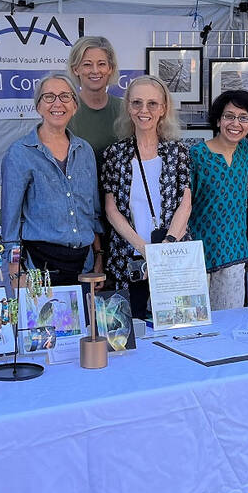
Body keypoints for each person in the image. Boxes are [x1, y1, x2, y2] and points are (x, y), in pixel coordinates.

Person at [100, 73, 194, 320]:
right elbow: (112, 210)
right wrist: (143, 249)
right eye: (137, 103)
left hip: (172, 257)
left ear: (163, 109)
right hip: (129, 257)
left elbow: (185, 203)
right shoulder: (115, 154)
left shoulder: (178, 152)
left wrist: (166, 246)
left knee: (175, 327)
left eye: (152, 103)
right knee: (132, 328)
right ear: (128, 107)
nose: (144, 110)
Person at [0, 72, 102, 285]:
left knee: (85, 319)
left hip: (84, 263)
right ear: (38, 106)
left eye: (65, 96)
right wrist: (15, 267)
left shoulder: (85, 151)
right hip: (39, 264)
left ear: (74, 106)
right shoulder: (20, 153)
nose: (57, 103)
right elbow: (11, 217)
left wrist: (99, 257)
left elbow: (93, 213)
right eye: (49, 97)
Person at [190, 87, 248, 309]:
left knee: (230, 323)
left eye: (243, 118)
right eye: (229, 116)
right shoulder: (197, 155)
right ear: (218, 120)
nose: (235, 123)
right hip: (198, 253)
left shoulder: (245, 154)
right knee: (197, 326)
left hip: (234, 252)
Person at [65, 35, 123, 156]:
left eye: (101, 64)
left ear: (110, 68)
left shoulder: (125, 109)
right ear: (76, 69)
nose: (95, 71)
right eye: (87, 64)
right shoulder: (64, 109)